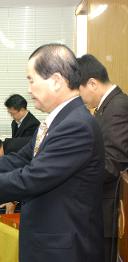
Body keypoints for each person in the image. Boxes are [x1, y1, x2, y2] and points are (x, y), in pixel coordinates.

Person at [0, 43, 105, 262]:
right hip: (46, 235)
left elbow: (31, 179)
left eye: (31, 80)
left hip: (63, 245)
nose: (28, 90)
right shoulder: (56, 120)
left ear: (56, 81)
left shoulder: (76, 125)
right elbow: (19, 159)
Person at [77, 54, 128, 262]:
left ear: (92, 83)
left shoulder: (117, 107)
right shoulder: (105, 108)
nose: (80, 100)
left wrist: (75, 173)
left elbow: (113, 163)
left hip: (110, 205)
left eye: (79, 92)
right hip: (101, 202)